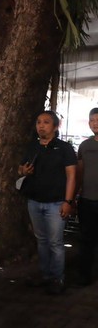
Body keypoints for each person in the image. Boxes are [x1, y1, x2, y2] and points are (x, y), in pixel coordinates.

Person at [18, 110, 77, 294]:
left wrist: (68, 201)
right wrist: (23, 171)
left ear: (55, 126)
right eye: (38, 122)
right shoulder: (33, 147)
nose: (41, 126)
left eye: (46, 122)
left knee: (55, 243)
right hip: (35, 202)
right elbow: (21, 168)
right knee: (42, 241)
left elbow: (72, 176)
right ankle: (45, 275)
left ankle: (57, 279)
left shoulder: (64, 148)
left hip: (56, 203)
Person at [75, 107, 98, 286]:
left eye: (97, 119)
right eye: (91, 120)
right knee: (86, 239)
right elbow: (79, 172)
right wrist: (75, 195)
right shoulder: (84, 146)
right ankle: (84, 276)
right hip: (87, 200)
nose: (94, 123)